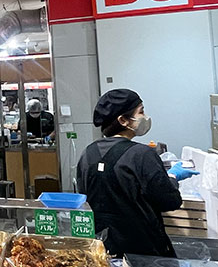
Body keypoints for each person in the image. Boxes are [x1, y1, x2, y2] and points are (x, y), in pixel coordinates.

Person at [77, 89, 199, 257]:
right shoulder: (141, 154)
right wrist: (172, 177)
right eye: (141, 112)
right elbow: (169, 201)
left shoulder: (87, 153)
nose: (145, 117)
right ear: (123, 120)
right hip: (142, 252)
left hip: (102, 250)